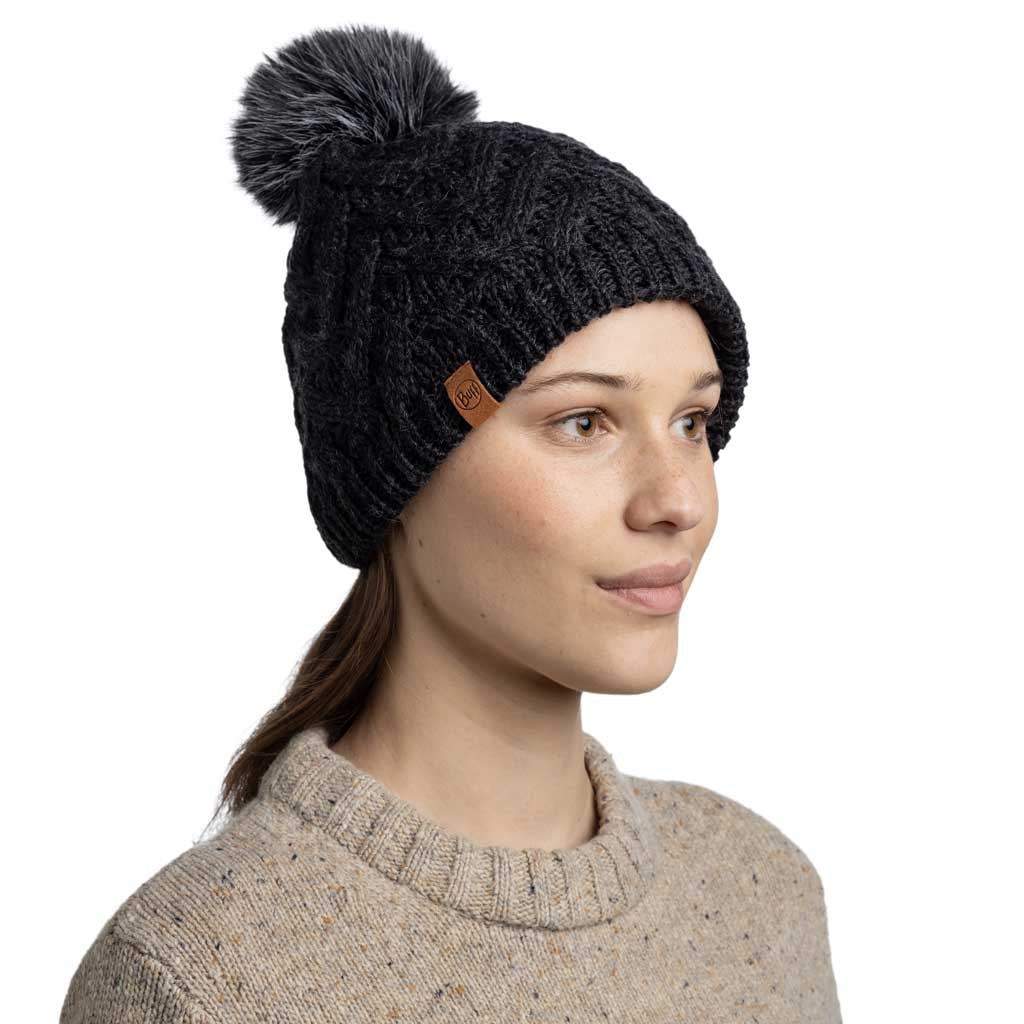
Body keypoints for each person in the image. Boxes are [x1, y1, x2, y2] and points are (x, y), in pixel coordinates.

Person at [60, 23, 842, 1022]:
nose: (679, 500)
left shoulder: (760, 897)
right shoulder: (195, 976)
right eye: (584, 422)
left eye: (691, 421)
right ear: (401, 464)